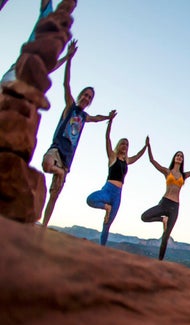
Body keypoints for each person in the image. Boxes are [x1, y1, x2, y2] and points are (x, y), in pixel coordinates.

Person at [41, 40, 116, 227]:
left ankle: (42, 227)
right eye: (85, 94)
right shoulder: (71, 107)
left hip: (67, 158)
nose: (86, 98)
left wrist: (108, 117)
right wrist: (69, 58)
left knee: (54, 195)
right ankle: (57, 171)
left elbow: (96, 118)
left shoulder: (84, 116)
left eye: (89, 97)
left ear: (90, 101)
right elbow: (66, 83)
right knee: (46, 164)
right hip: (57, 149)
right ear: (80, 95)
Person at [141, 139, 190, 260]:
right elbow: (152, 161)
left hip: (175, 207)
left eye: (181, 156)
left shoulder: (184, 175)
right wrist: (148, 146)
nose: (179, 157)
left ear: (182, 160)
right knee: (144, 217)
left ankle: (159, 262)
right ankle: (162, 219)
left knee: (166, 237)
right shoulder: (167, 171)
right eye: (177, 155)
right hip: (164, 203)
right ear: (174, 158)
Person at [85, 112, 147, 246]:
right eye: (123, 143)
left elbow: (137, 156)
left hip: (117, 194)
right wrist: (110, 122)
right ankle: (105, 207)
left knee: (107, 224)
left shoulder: (127, 161)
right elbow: (107, 139)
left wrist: (146, 146)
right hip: (108, 190)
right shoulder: (112, 157)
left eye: (127, 144)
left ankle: (101, 249)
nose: (125, 146)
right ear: (119, 145)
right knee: (90, 200)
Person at [1, 1, 74, 86]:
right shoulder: (49, 15)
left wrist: (67, 56)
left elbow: (50, 66)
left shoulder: (61, 37)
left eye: (71, 8)